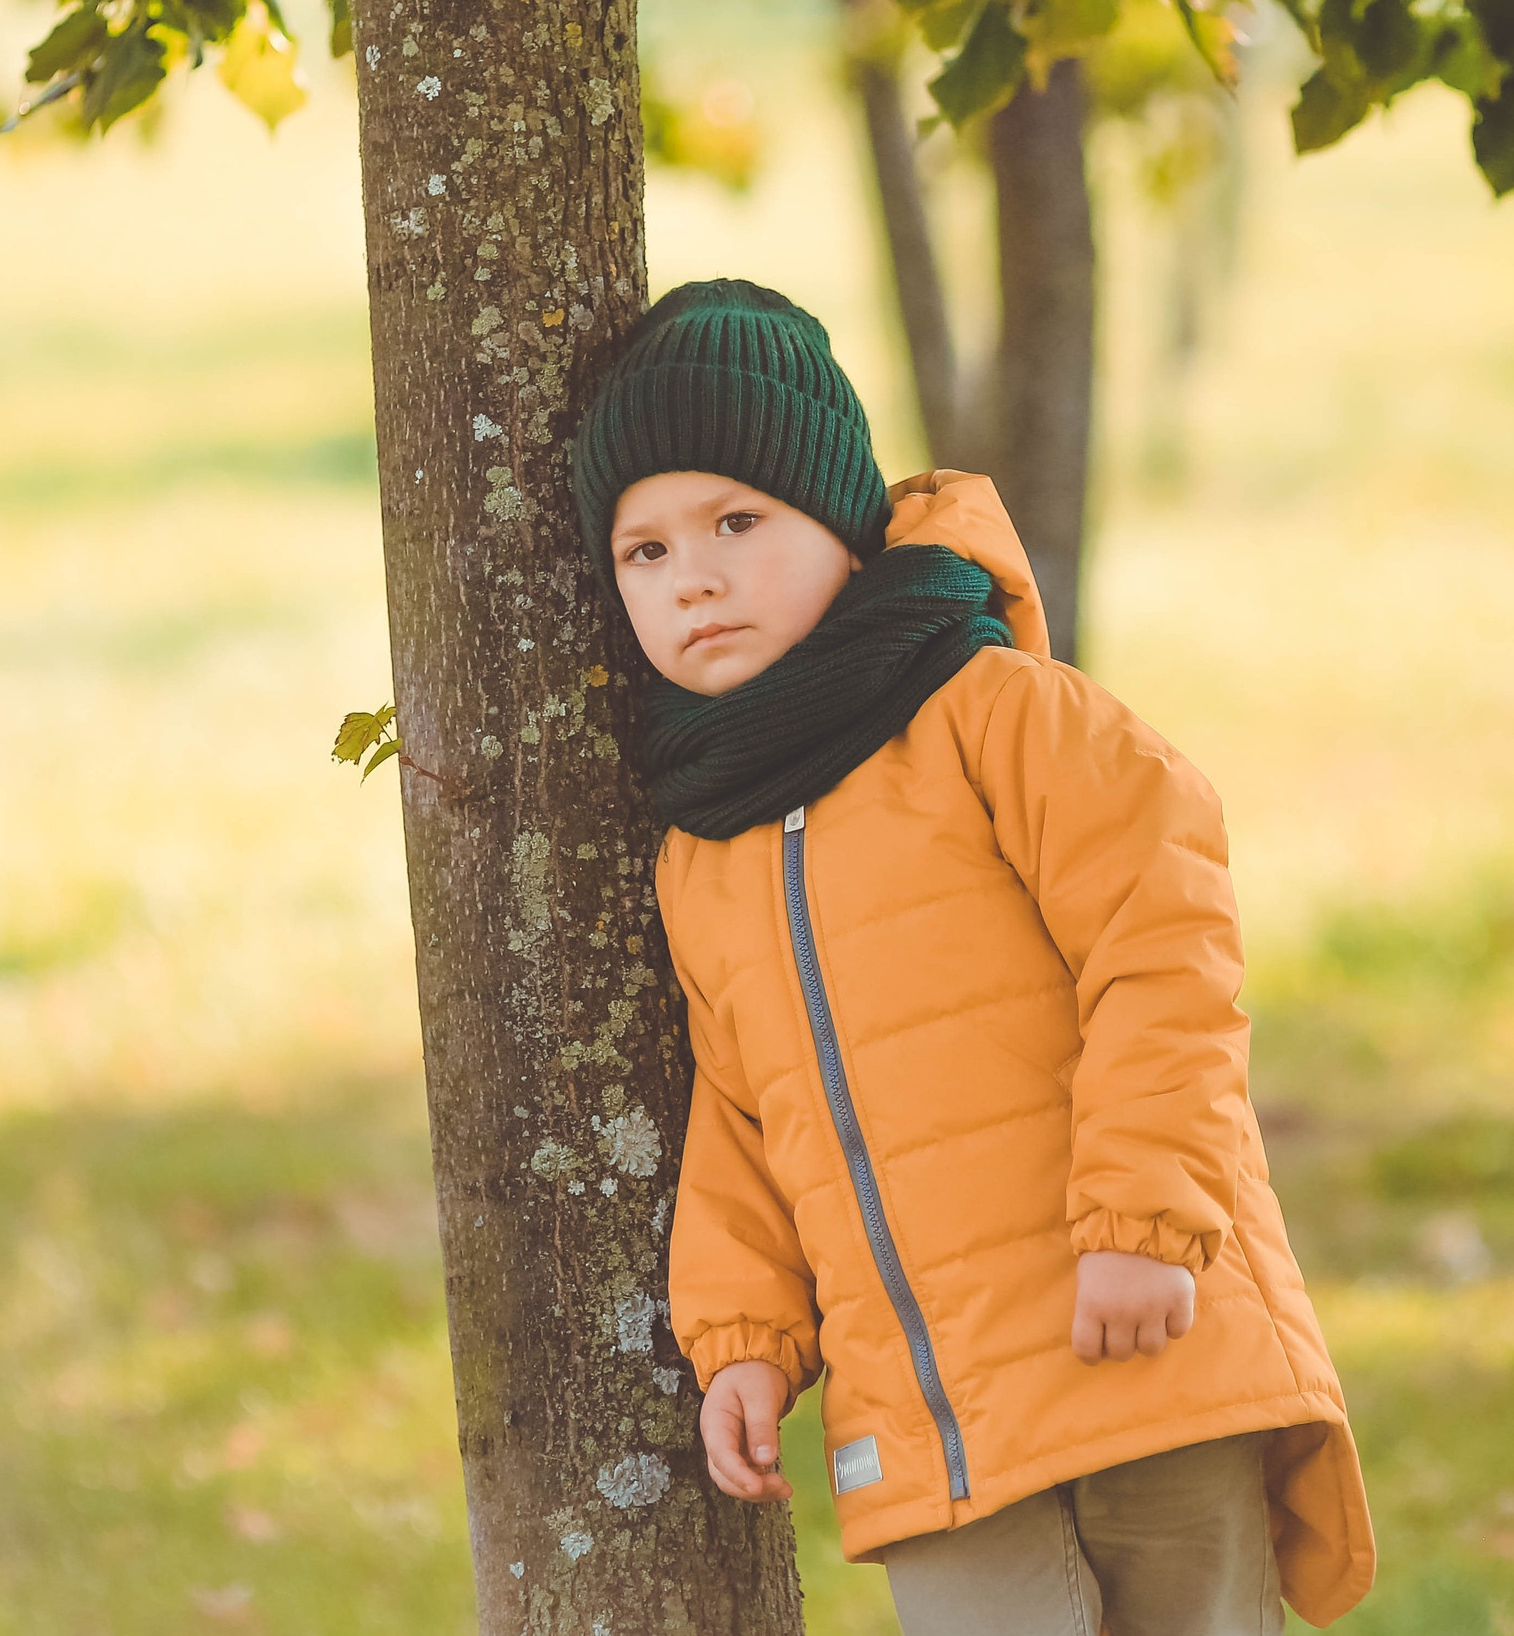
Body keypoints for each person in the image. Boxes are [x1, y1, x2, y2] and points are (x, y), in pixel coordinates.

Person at [572, 279, 1375, 1635]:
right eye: (642, 552)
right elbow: (741, 1111)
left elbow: (1163, 940)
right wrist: (746, 1339)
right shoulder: (700, 845)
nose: (693, 574)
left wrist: (1141, 1217)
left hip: (1137, 1331)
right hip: (933, 1419)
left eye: (735, 521)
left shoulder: (989, 711)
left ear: (840, 521)